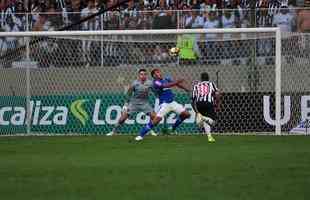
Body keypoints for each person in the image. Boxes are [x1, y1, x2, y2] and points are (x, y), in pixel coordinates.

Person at [135, 68, 191, 141]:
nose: (160, 73)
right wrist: (177, 81)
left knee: (187, 114)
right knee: (156, 121)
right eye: (157, 73)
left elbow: (176, 84)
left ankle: (172, 128)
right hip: (165, 104)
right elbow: (165, 86)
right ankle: (141, 135)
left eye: (159, 72)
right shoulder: (155, 82)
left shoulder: (166, 78)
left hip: (173, 102)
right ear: (154, 76)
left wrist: (185, 89)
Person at [107, 68, 157, 136]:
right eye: (141, 74)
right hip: (134, 103)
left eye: (145, 74)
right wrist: (126, 104)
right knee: (122, 118)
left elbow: (155, 91)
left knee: (154, 117)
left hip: (145, 103)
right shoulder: (135, 83)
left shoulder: (150, 83)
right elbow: (129, 93)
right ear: (139, 75)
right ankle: (113, 131)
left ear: (146, 75)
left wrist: (159, 96)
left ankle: (149, 130)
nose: (143, 76)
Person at [191, 72, 221, 143]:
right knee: (213, 122)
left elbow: (192, 100)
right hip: (208, 103)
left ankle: (209, 137)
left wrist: (197, 112)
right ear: (208, 78)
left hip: (198, 104)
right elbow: (217, 94)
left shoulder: (196, 86)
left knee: (205, 122)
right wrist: (218, 104)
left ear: (201, 79)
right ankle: (203, 118)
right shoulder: (211, 84)